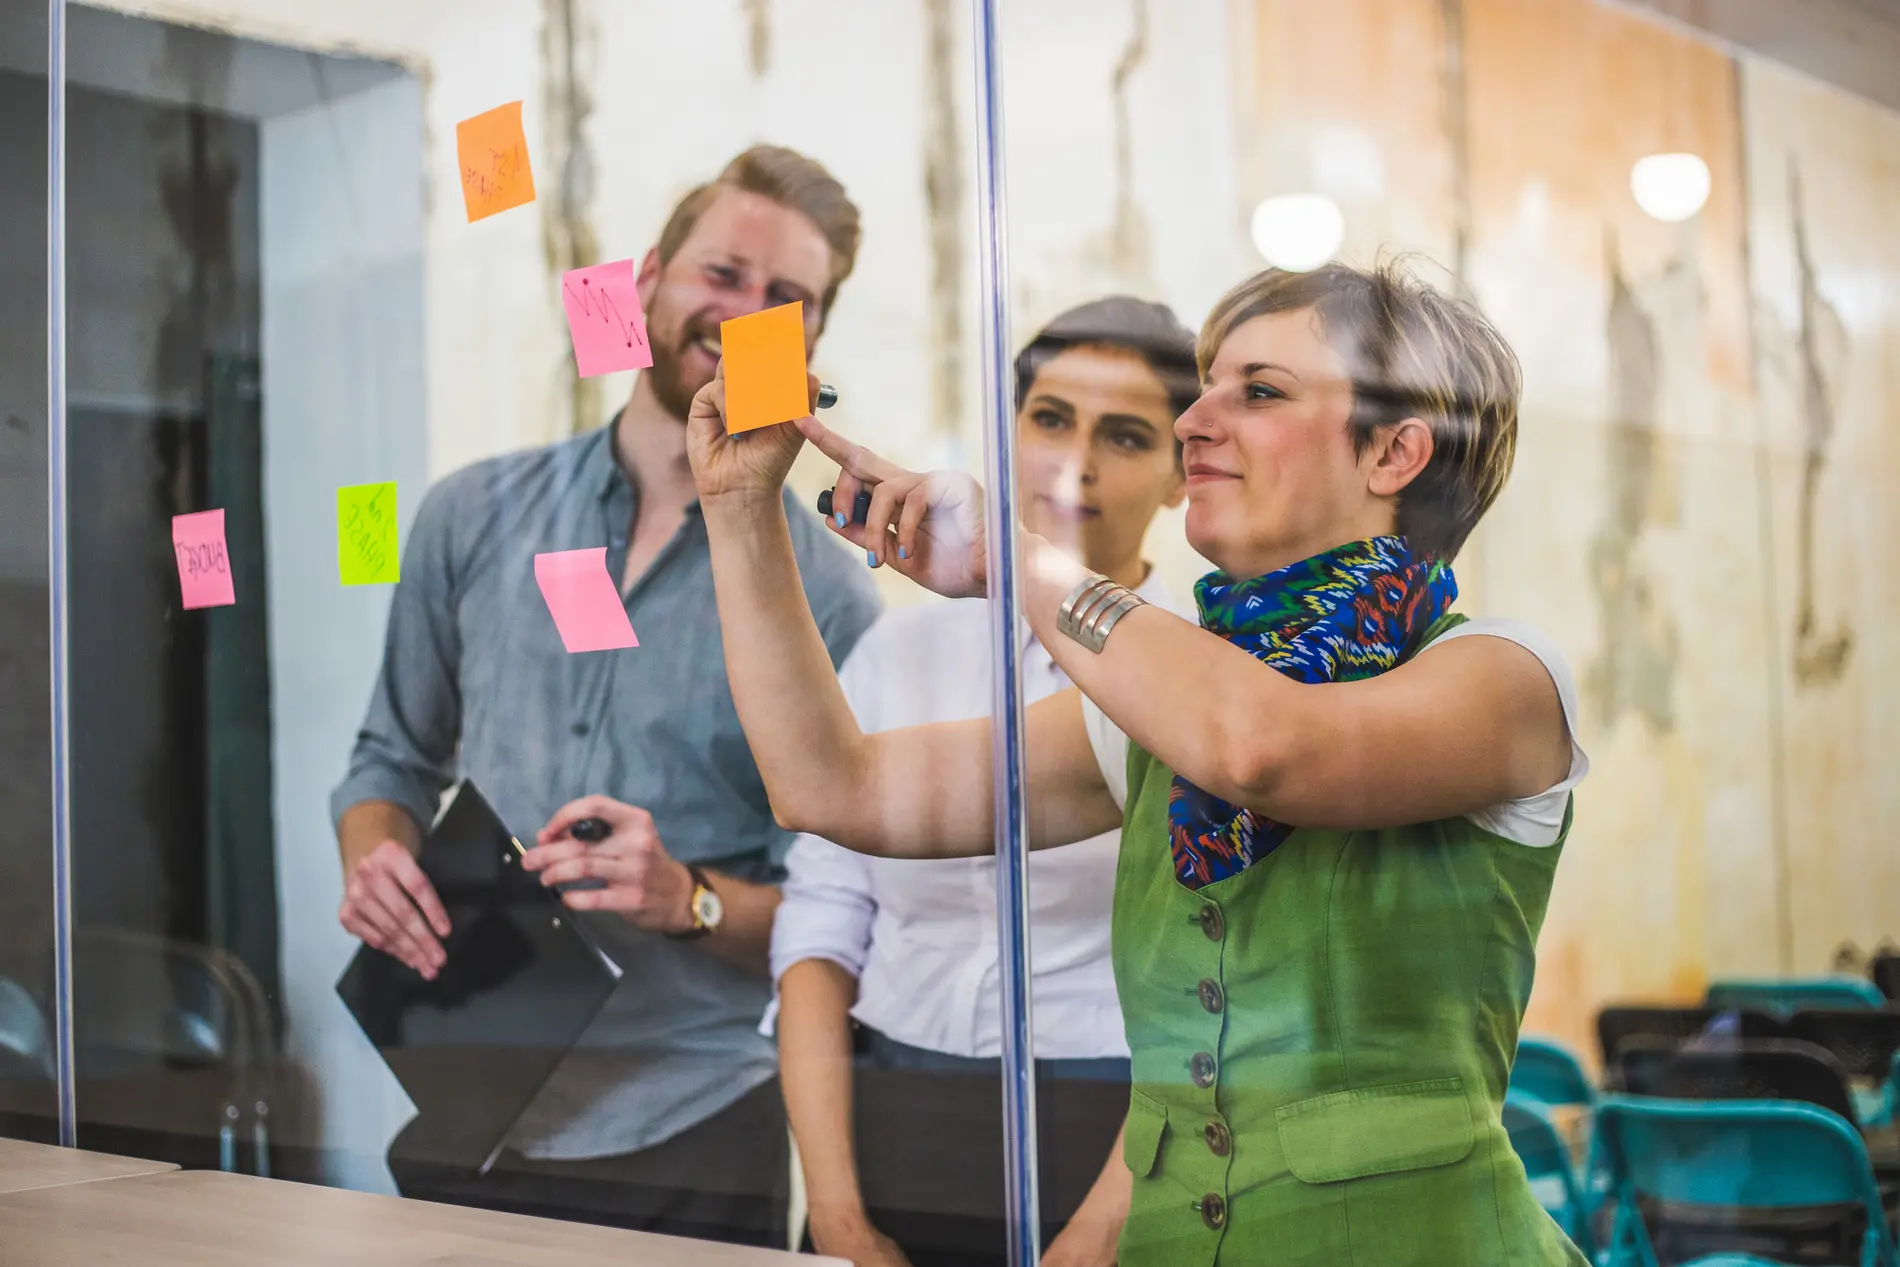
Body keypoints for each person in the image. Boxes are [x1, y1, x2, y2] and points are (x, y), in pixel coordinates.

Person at [685, 260, 1593, 1265]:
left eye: (1255, 390)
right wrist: (739, 510)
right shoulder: (1155, 706)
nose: (1194, 422)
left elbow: (1263, 747)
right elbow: (830, 787)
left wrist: (1012, 554)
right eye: (1202, 388)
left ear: (1393, 452)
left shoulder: (1504, 676)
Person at [329, 146, 881, 1246]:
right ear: (646, 288)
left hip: (688, 1123)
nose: (742, 315)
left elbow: (849, 914)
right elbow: (388, 759)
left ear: (811, 342)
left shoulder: (831, 596)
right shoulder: (469, 514)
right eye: (720, 274)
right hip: (458, 1083)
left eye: (785, 300)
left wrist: (690, 897)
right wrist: (373, 856)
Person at [773, 298, 1196, 1267]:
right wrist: (836, 1217)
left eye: (1125, 435)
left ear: (1182, 472)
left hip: (1116, 1132)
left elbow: (1212, 998)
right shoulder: (901, 645)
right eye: (1050, 418)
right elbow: (821, 924)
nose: (1073, 461)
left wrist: (1088, 1248)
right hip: (882, 1113)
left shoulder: (1195, 673)